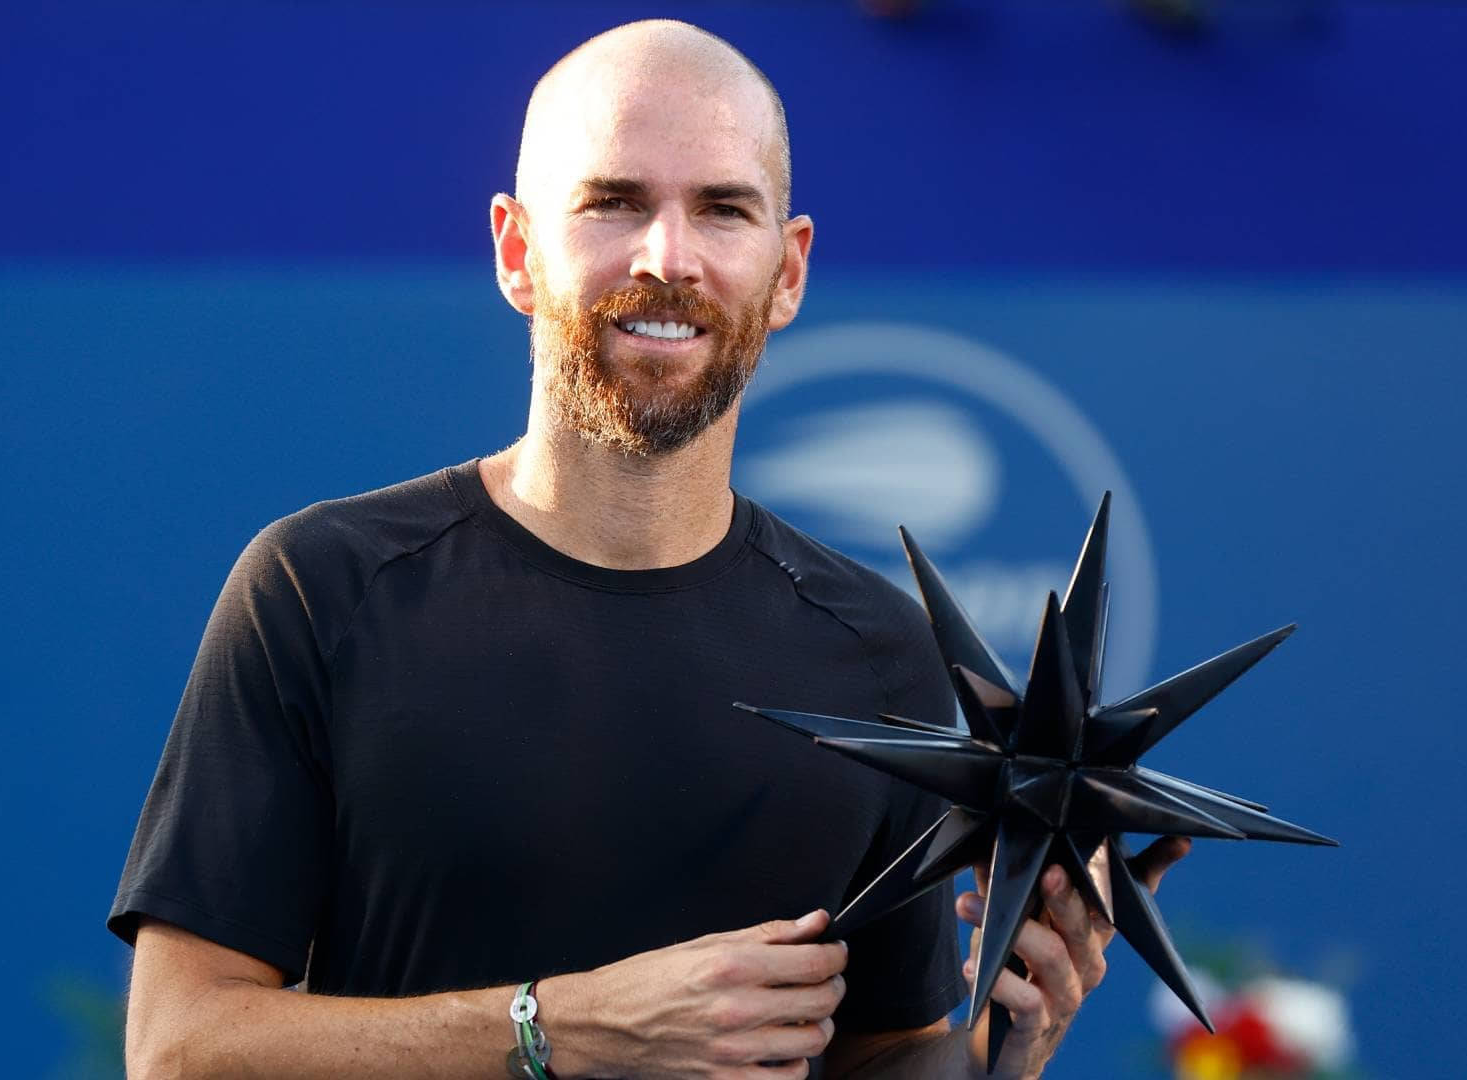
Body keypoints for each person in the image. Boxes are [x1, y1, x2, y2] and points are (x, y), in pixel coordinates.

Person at [107, 19, 1188, 1079]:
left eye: (722, 209)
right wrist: (560, 1028)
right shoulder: (321, 587)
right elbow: (181, 1048)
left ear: (789, 270)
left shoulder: (878, 653)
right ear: (517, 250)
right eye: (614, 203)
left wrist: (1003, 1052)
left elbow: (881, 1059)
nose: (667, 257)